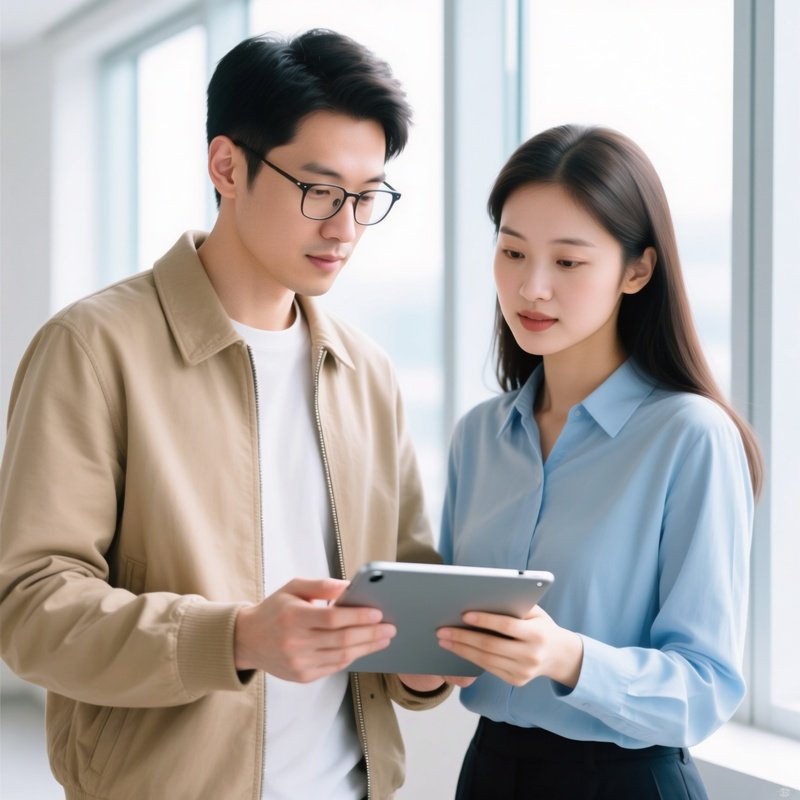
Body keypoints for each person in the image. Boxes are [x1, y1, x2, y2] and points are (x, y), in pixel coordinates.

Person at [0, 29, 452, 800]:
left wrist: (426, 654)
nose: (344, 227)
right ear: (227, 167)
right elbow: (31, 606)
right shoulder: (92, 347)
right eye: (319, 190)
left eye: (368, 196)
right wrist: (236, 637)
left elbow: (402, 582)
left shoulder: (367, 372)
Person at [435, 124, 762, 799]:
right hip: (490, 772)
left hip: (624, 782)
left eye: (569, 262)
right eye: (513, 252)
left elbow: (705, 686)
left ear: (637, 270)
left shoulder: (689, 436)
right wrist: (415, 660)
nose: (532, 287)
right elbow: (448, 634)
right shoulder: (478, 436)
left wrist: (567, 657)